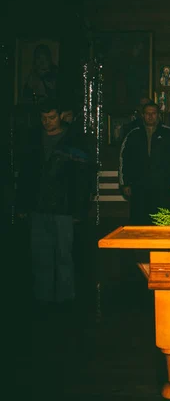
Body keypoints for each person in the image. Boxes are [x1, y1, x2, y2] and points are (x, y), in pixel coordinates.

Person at [17, 100, 92, 307]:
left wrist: (79, 209)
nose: (46, 122)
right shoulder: (34, 140)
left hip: (64, 206)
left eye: (51, 118)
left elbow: (82, 179)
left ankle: (65, 298)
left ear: (60, 116)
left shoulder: (74, 141)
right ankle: (43, 298)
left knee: (63, 254)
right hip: (38, 205)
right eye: (43, 118)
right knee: (40, 253)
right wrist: (22, 205)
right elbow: (25, 175)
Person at [118, 102, 170, 225]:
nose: (150, 116)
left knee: (162, 222)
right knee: (139, 222)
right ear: (143, 115)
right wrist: (124, 183)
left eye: (153, 113)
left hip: (163, 187)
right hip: (139, 187)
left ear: (158, 115)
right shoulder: (133, 134)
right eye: (147, 113)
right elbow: (124, 159)